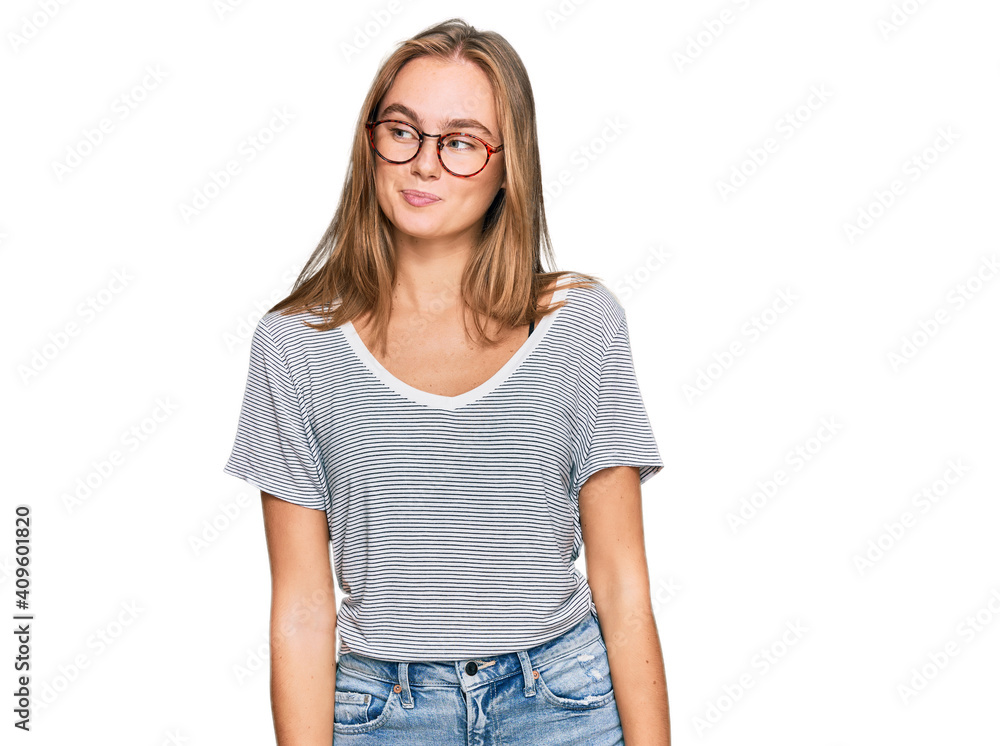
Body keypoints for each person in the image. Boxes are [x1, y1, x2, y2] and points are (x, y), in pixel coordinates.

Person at [223, 17, 670, 745]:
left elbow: (622, 585)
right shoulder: (296, 345)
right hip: (382, 713)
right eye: (402, 131)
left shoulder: (580, 325)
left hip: (563, 705)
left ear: (508, 166)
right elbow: (302, 609)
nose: (424, 163)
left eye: (460, 142)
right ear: (371, 144)